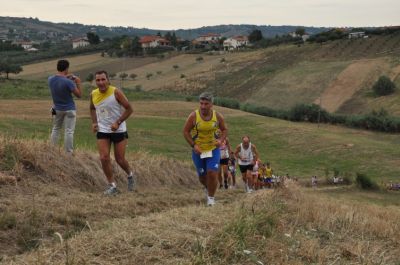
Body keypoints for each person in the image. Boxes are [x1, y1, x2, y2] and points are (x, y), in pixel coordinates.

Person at [90, 70, 135, 195]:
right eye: (98, 80)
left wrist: (118, 122)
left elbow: (129, 109)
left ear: (108, 80)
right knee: (104, 158)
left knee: (120, 159)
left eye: (103, 79)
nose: (101, 82)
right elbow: (92, 108)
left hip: (119, 130)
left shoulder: (116, 92)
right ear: (95, 82)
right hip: (103, 129)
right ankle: (112, 186)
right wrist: (94, 123)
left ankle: (130, 174)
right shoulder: (93, 94)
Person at [183, 92, 228, 206]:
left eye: (206, 104)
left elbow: (224, 130)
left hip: (213, 149)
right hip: (198, 151)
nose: (203, 106)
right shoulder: (193, 116)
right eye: (201, 103)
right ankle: (208, 188)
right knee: (203, 177)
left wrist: (220, 140)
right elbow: (185, 131)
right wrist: (194, 145)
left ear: (211, 104)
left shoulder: (217, 116)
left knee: (212, 173)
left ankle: (211, 198)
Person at [49, 59, 82, 154]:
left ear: (57, 67)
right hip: (69, 109)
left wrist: (66, 77)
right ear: (67, 68)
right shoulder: (69, 82)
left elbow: (59, 80)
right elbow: (79, 95)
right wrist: (78, 82)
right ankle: (68, 153)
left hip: (57, 108)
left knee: (55, 129)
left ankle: (52, 150)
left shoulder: (50, 79)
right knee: (69, 131)